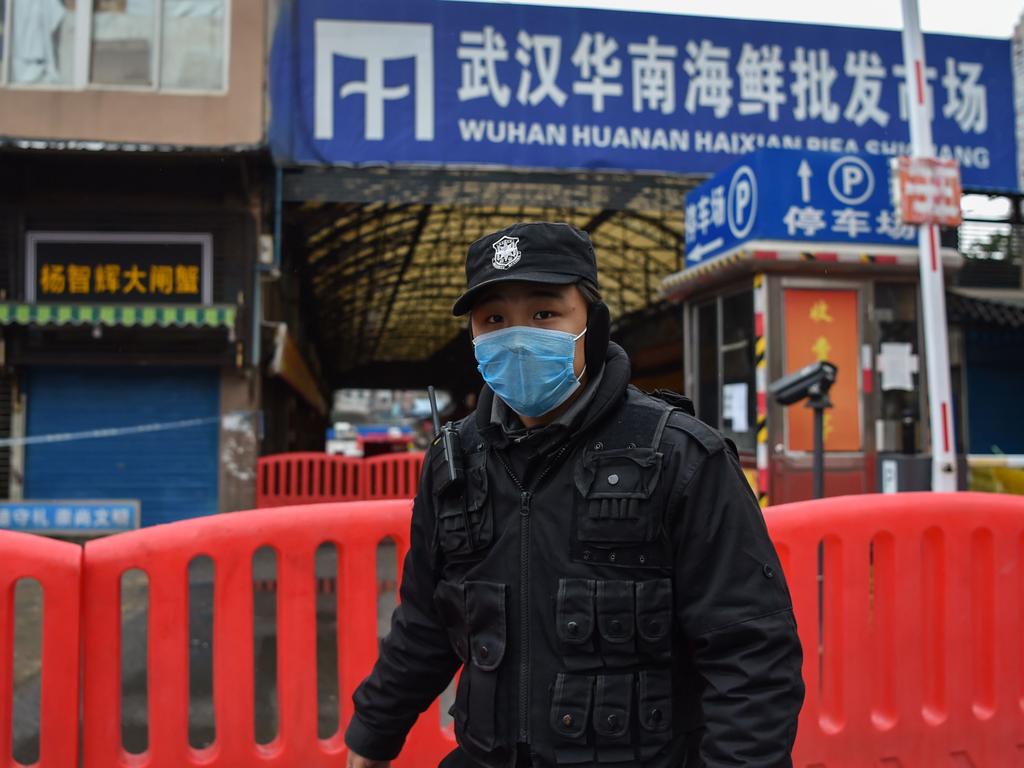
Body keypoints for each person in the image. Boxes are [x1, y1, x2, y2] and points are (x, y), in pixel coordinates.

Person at [345, 222, 804, 768]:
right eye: (493, 320)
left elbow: (749, 654)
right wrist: (373, 733)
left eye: (544, 314)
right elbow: (426, 620)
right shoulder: (454, 463)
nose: (517, 337)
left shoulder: (680, 456)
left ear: (592, 323)